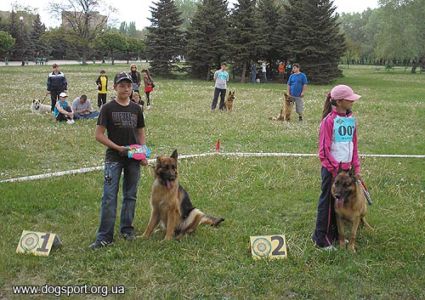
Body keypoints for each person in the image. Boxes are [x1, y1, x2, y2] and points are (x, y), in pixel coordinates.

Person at [89, 72, 148, 250]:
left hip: (133, 159)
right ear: (114, 87)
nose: (126, 89)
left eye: (129, 86)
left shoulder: (136, 108)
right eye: (122, 85)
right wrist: (117, 148)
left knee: (130, 195)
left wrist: (142, 153)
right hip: (114, 158)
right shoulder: (107, 108)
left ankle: (127, 230)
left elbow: (140, 132)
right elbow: (99, 135)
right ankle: (104, 236)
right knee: (109, 197)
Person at [312, 85, 361, 250]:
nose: (353, 100)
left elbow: (354, 145)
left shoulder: (349, 120)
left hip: (346, 171)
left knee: (339, 204)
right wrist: (335, 170)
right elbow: (324, 151)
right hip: (331, 170)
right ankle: (321, 239)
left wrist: (356, 168)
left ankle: (332, 236)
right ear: (339, 101)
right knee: (327, 202)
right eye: (350, 98)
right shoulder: (328, 121)